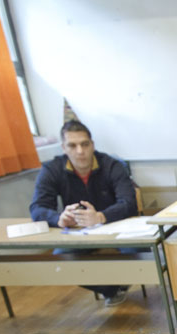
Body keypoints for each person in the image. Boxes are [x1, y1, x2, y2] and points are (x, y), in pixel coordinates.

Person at [30, 120, 138, 306]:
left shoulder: (112, 165)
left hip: (115, 227)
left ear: (92, 145)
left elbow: (129, 202)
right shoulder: (52, 169)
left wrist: (101, 217)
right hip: (78, 232)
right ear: (64, 148)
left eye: (85, 144)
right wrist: (59, 219)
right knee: (59, 263)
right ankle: (112, 289)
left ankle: (122, 280)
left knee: (142, 256)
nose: (80, 151)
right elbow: (37, 208)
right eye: (73, 146)